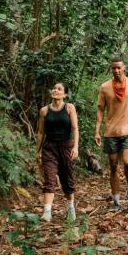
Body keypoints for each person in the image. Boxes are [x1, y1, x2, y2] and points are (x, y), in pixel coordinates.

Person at [94, 57, 128, 211]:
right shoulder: (105, 87)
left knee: (127, 162)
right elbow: (100, 109)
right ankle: (116, 200)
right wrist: (97, 131)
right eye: (113, 68)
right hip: (111, 132)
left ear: (124, 68)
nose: (116, 70)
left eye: (119, 67)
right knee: (112, 166)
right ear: (111, 69)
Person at [36, 82, 78, 222]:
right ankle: (47, 212)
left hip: (66, 146)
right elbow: (41, 132)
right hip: (49, 147)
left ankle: (71, 208)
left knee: (67, 178)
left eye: (59, 89)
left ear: (65, 94)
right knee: (49, 178)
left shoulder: (69, 108)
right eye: (54, 88)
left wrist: (75, 147)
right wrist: (37, 151)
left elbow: (75, 129)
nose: (55, 90)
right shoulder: (44, 111)